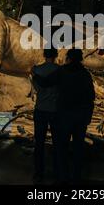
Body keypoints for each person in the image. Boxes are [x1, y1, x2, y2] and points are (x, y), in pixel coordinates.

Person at [32, 49, 95, 184]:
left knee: (62, 148)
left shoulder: (62, 71)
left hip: (63, 116)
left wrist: (34, 73)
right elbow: (91, 97)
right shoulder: (85, 74)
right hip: (80, 117)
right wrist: (88, 116)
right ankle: (76, 177)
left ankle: (62, 177)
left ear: (68, 58)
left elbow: (45, 83)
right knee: (78, 148)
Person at [30, 48, 60, 183]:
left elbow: (36, 89)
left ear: (44, 55)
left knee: (39, 143)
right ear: (56, 56)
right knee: (57, 143)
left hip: (40, 109)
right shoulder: (60, 71)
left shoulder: (36, 70)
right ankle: (57, 171)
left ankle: (38, 172)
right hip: (55, 110)